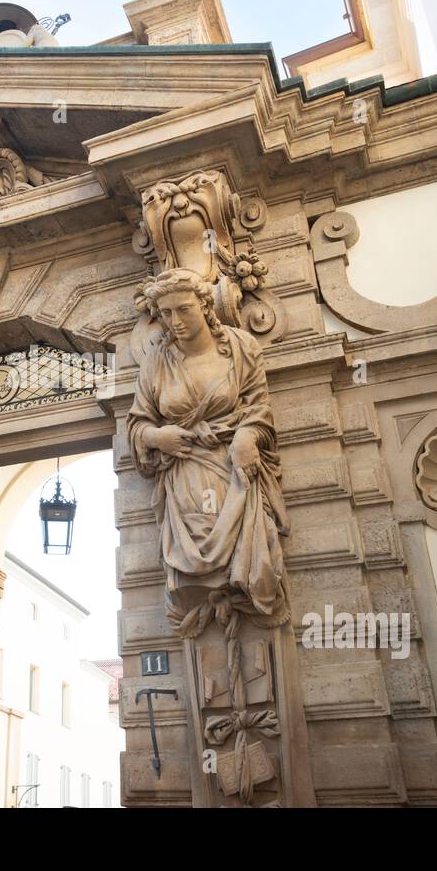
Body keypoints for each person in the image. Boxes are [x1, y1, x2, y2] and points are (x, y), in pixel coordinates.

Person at [127, 269, 291, 630]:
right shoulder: (156, 362)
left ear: (205, 305)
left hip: (234, 472)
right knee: (194, 576)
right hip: (184, 476)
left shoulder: (240, 347)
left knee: (254, 566)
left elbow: (259, 407)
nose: (174, 321)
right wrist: (158, 438)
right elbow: (138, 425)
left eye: (183, 309)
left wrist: (248, 438)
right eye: (165, 314)